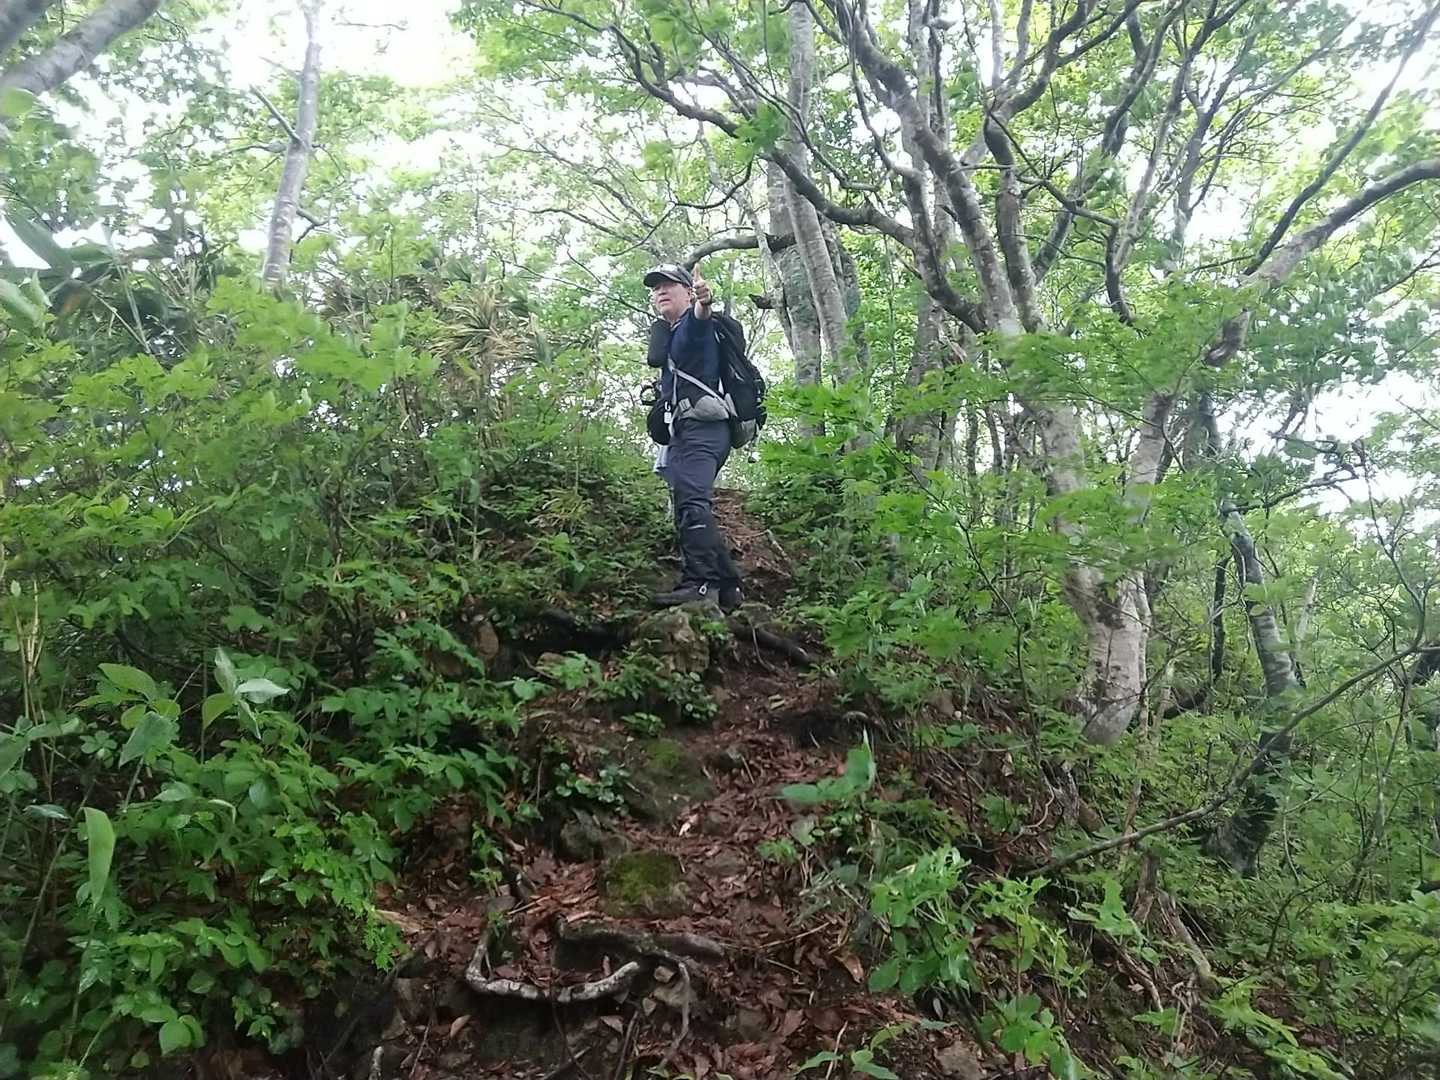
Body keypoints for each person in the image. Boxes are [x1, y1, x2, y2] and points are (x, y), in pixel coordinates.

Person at [643, 262, 744, 611]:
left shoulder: (693, 324)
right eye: (655, 288)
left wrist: (705, 300)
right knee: (688, 500)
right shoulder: (671, 337)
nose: (660, 291)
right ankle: (728, 586)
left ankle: (700, 585)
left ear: (687, 292)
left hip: (703, 430)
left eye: (668, 285)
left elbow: (702, 315)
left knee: (691, 502)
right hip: (689, 432)